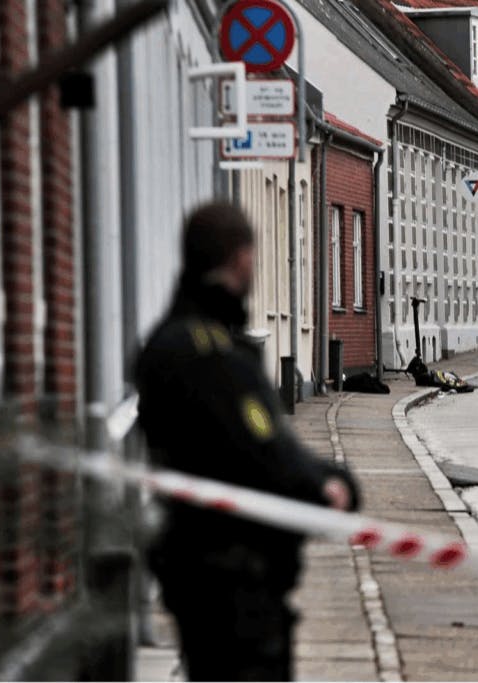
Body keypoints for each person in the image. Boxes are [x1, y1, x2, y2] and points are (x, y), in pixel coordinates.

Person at [135, 202, 360, 681]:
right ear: (240, 260)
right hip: (234, 576)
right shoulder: (216, 357)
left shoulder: (164, 343)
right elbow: (264, 448)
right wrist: (329, 485)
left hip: (193, 566)